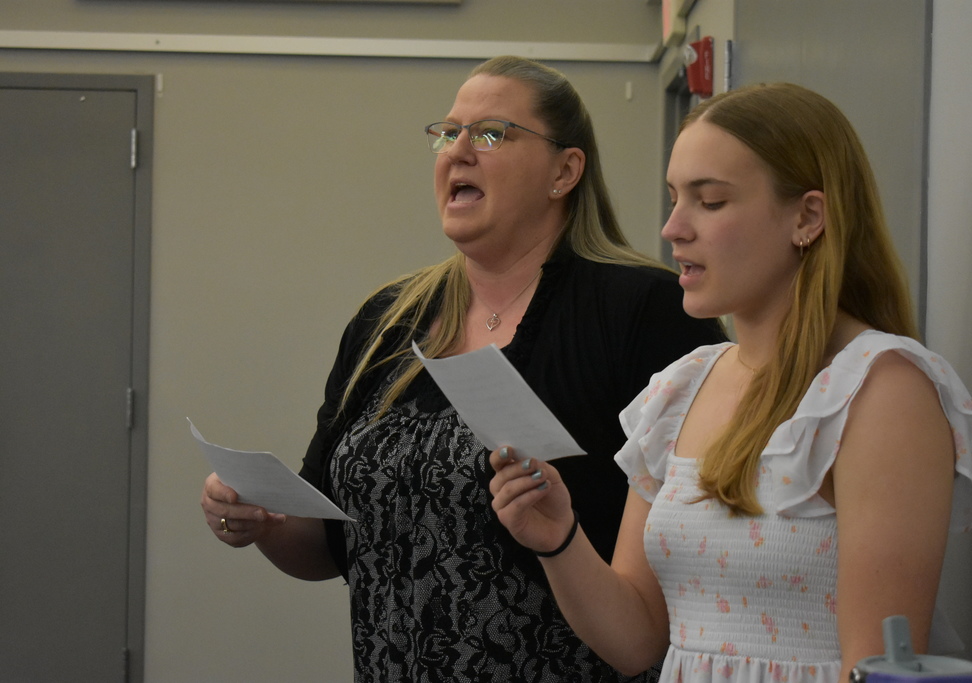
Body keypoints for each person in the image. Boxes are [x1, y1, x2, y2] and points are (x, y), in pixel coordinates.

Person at [200, 55, 724, 682]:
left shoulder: (645, 310)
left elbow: (697, 548)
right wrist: (265, 521)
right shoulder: (389, 320)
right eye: (448, 134)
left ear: (565, 170)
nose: (459, 152)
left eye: (493, 133)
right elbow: (330, 545)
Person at [489, 82, 972, 683]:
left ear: (806, 217)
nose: (673, 228)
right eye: (674, 198)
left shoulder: (881, 390)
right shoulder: (682, 387)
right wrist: (559, 539)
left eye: (711, 201)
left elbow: (877, 668)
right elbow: (637, 640)